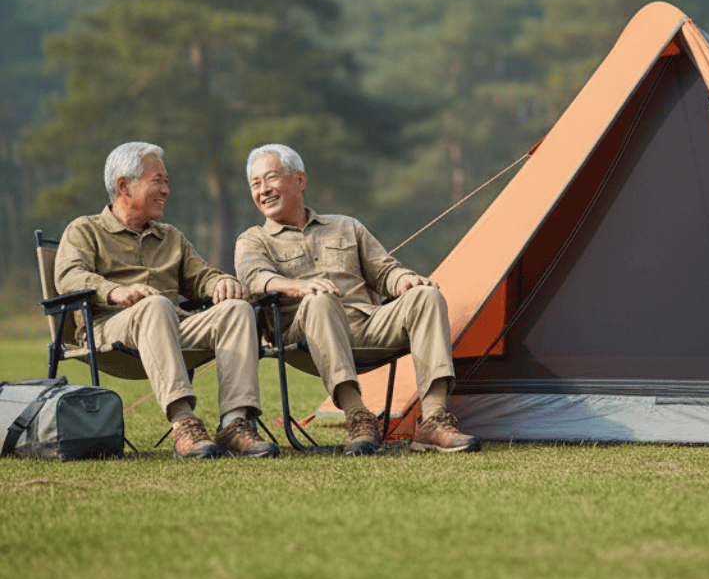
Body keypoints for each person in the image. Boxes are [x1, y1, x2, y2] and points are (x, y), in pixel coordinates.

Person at [234, 144, 480, 455]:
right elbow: (254, 277)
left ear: (300, 180)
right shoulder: (253, 239)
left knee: (426, 296)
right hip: (304, 335)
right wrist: (297, 286)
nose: (263, 190)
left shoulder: (346, 226)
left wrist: (404, 280)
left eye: (271, 178)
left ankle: (433, 419)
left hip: (367, 324)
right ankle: (358, 417)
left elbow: (384, 271)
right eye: (255, 184)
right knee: (319, 299)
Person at [55, 141, 278, 460]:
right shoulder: (84, 230)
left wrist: (223, 281)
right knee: (155, 304)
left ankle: (234, 423)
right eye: (157, 181)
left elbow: (203, 276)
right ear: (124, 186)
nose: (166, 190)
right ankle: (184, 422)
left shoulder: (171, 237)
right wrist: (113, 291)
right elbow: (68, 276)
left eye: (167, 182)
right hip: (110, 328)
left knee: (237, 309)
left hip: (172, 325)